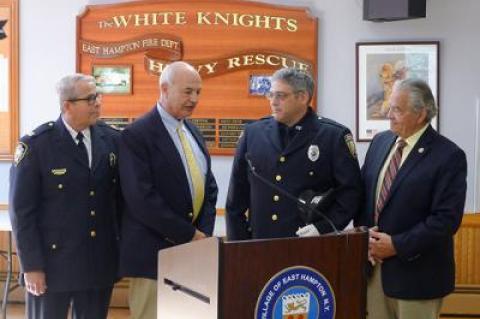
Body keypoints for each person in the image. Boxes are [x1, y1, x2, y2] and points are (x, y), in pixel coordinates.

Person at [9, 74, 121, 319]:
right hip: (52, 265)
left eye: (98, 96)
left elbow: (118, 202)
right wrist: (32, 267)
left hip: (97, 264)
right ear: (67, 105)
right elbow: (21, 212)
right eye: (90, 99)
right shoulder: (37, 145)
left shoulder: (111, 139)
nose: (98, 103)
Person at [354, 78, 467, 319]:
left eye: (397, 109)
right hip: (374, 274)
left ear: (421, 114)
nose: (389, 115)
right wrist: (363, 238)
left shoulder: (449, 156)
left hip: (418, 278)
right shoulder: (381, 142)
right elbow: (363, 195)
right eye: (390, 107)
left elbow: (446, 220)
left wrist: (397, 245)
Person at [118, 61, 218, 318]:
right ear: (164, 88)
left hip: (193, 252)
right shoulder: (137, 135)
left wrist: (202, 234)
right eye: (187, 91)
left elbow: (209, 187)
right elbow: (141, 199)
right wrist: (189, 235)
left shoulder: (192, 131)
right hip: (154, 256)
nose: (194, 99)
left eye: (198, 92)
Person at [226, 67, 362, 240]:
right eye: (270, 95)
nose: (273, 102)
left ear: (302, 97)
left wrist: (323, 228)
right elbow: (235, 200)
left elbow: (350, 193)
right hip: (260, 245)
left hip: (310, 245)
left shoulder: (333, 136)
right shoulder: (253, 134)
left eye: (281, 96)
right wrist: (238, 246)